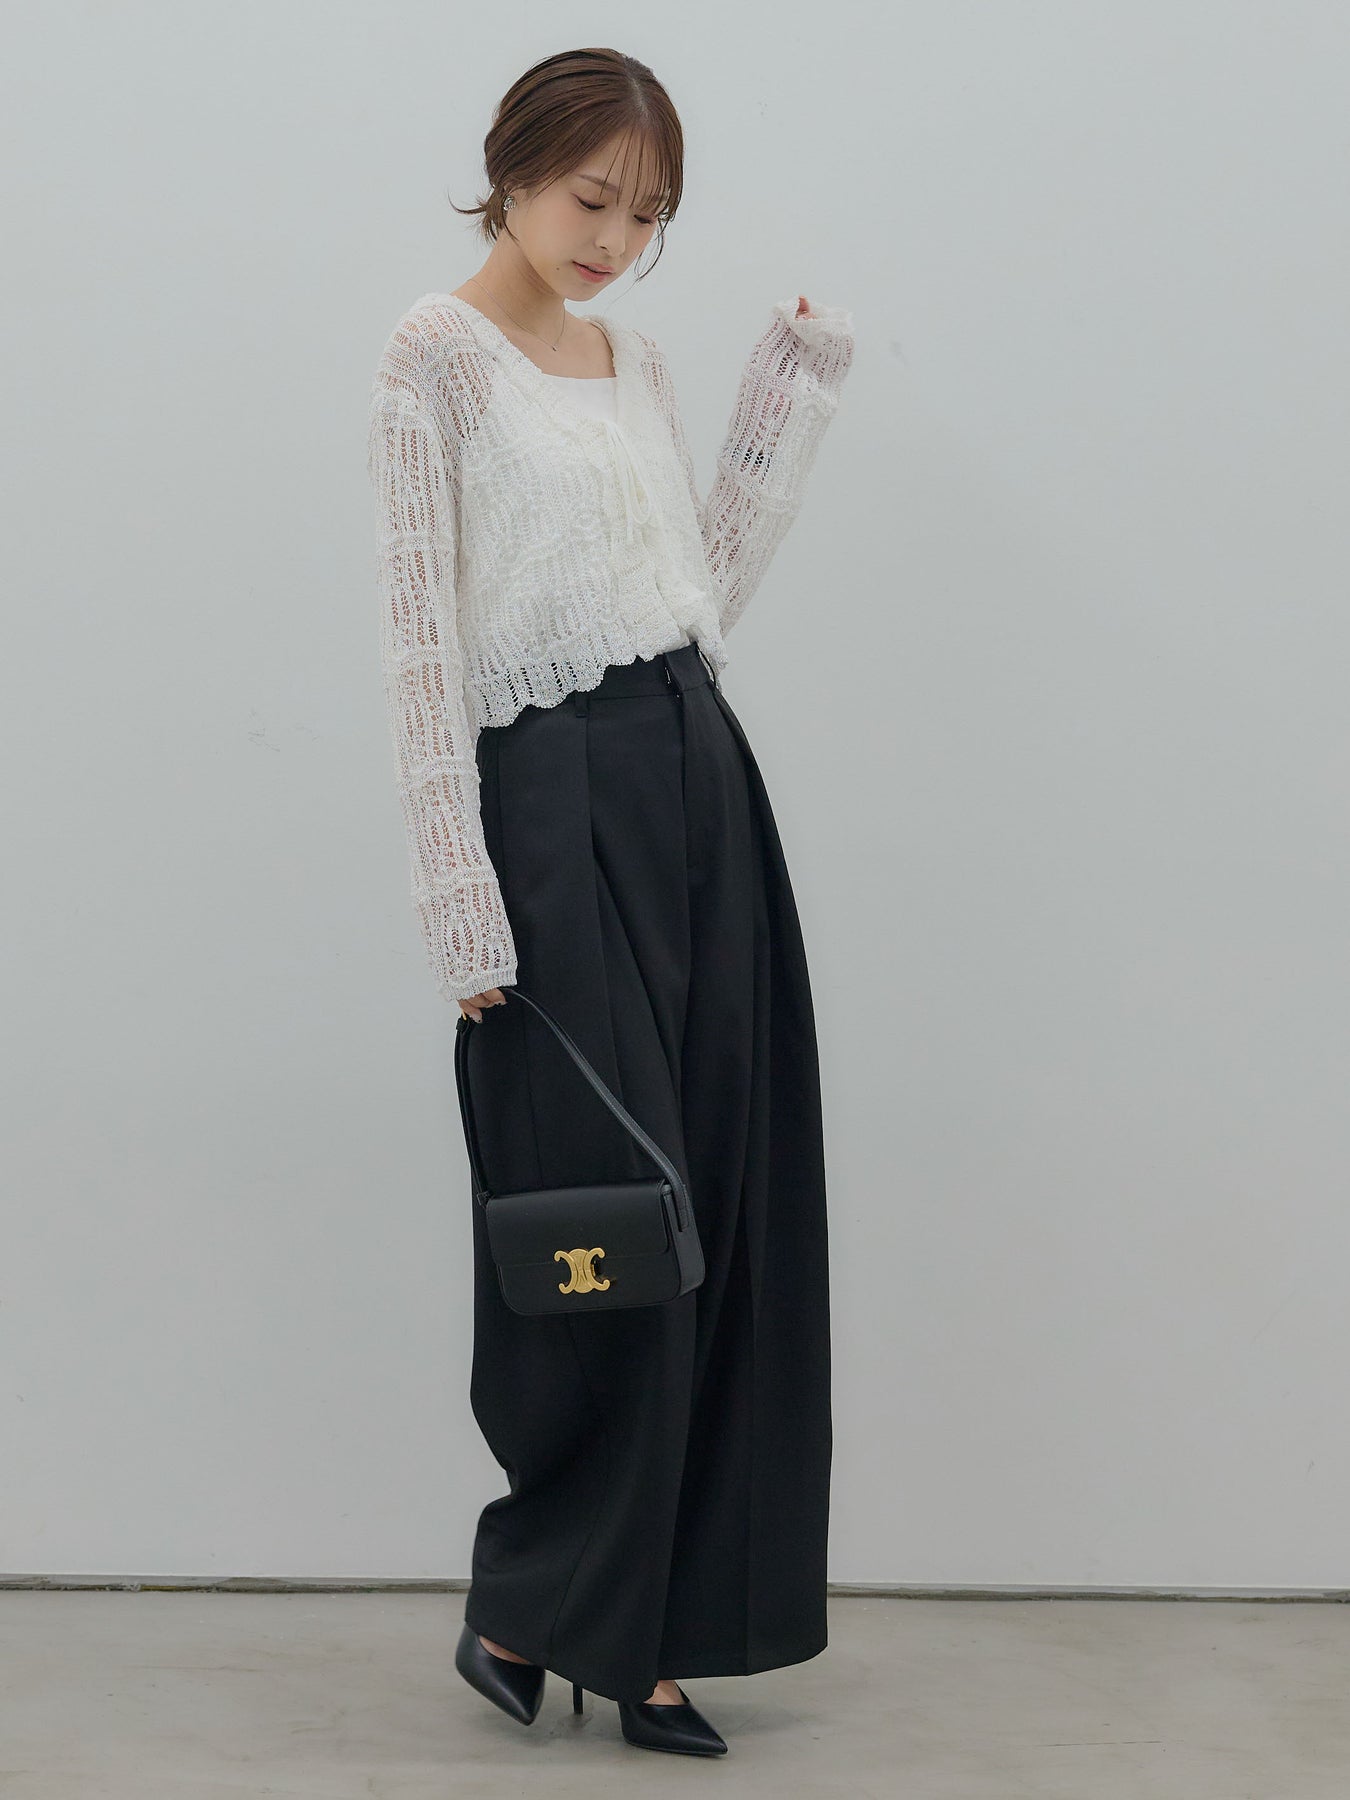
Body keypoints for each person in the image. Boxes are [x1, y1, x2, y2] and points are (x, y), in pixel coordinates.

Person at [366, 45, 855, 1759]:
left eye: (646, 217)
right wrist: (458, 897)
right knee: (606, 1226)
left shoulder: (631, 359)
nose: (612, 241)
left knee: (713, 1202)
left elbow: (688, 590)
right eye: (592, 199)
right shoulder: (431, 357)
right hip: (550, 803)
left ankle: (625, 1621)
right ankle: (567, 1602)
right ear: (510, 167)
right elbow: (421, 641)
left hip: (696, 776)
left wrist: (777, 414)